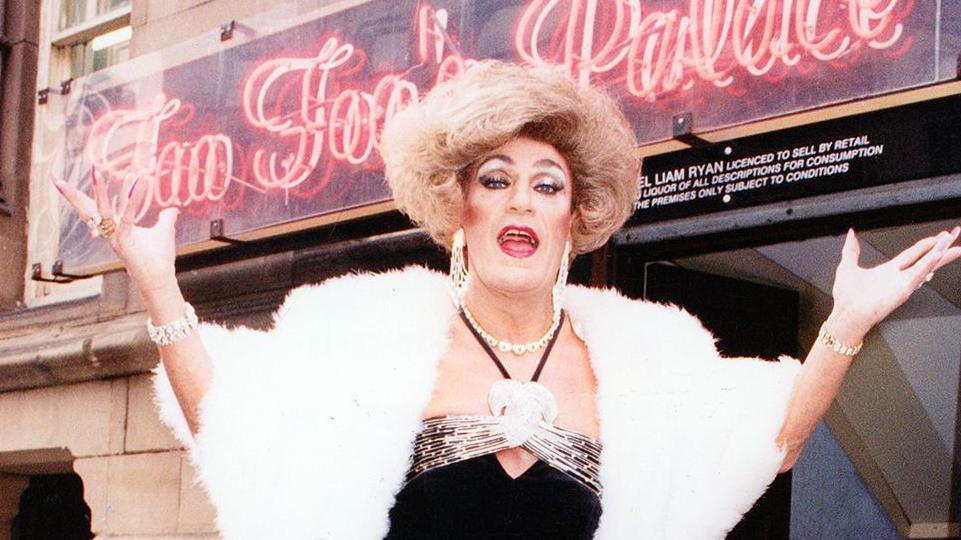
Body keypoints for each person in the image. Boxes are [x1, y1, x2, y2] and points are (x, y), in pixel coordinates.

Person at [54, 61, 960, 539]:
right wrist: (158, 281)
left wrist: (843, 323)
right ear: (460, 206)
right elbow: (232, 424)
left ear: (576, 216)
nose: (521, 199)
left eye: (546, 185)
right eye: (498, 179)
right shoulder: (369, 335)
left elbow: (769, 441)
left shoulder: (643, 357)